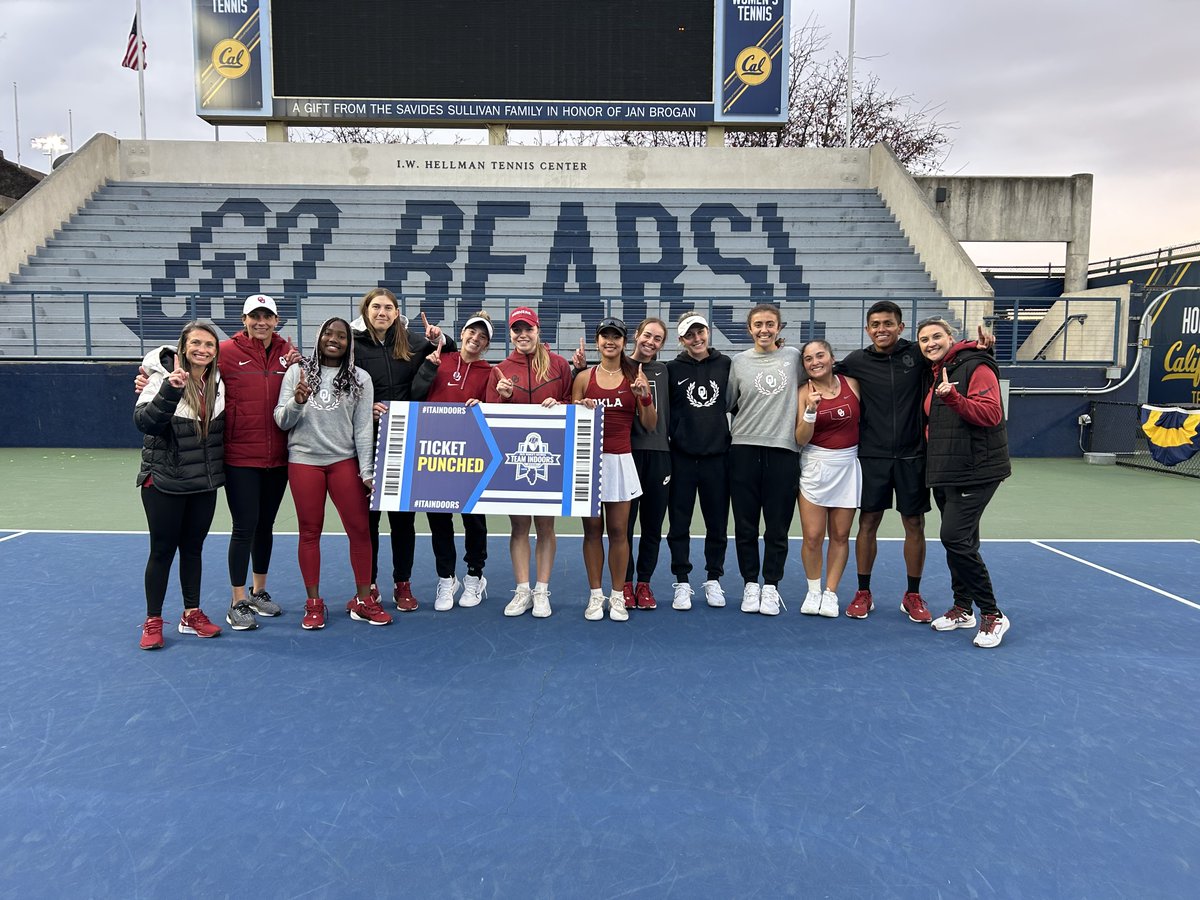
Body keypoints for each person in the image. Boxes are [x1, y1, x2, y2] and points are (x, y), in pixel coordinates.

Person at [134, 294, 299, 631]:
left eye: (268, 316)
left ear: (277, 321)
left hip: (272, 458)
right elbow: (171, 357)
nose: (261, 322)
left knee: (262, 527)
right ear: (244, 319)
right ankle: (236, 601)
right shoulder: (226, 351)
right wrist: (153, 374)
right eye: (255, 316)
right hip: (235, 458)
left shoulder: (289, 355)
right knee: (242, 528)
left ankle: (258, 592)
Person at [837, 300, 992, 622]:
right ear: (868, 329)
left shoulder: (918, 355)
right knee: (867, 523)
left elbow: (947, 352)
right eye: (876, 324)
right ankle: (863, 592)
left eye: (888, 323)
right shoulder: (856, 361)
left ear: (900, 327)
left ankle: (913, 594)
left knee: (914, 524)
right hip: (872, 456)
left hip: (914, 456)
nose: (882, 329)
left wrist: (979, 347)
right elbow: (820, 369)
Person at [275, 317, 387, 630]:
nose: (334, 339)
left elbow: (364, 427)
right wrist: (298, 402)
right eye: (328, 333)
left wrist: (366, 470)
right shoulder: (297, 372)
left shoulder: (360, 378)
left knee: (360, 531)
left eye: (341, 335)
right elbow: (282, 420)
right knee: (309, 532)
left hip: (344, 462)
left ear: (349, 343)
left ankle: (364, 600)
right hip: (305, 461)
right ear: (319, 336)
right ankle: (313, 604)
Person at [915, 317, 1012, 649]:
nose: (930, 343)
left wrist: (953, 398)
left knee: (953, 537)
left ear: (951, 337)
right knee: (963, 542)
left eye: (936, 336)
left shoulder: (975, 365)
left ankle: (992, 614)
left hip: (977, 468)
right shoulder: (938, 370)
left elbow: (990, 414)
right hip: (947, 469)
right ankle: (962, 608)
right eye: (924, 339)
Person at [351, 287, 446, 613]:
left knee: (403, 522)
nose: (382, 313)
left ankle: (402, 583)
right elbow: (340, 387)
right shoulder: (353, 345)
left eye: (388, 308)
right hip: (366, 445)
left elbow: (448, 355)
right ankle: (370, 584)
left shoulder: (413, 343)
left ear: (396, 313)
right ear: (366, 310)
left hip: (405, 444)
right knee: (369, 521)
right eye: (376, 307)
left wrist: (439, 337)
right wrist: (365, 407)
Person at [134, 321, 226, 649]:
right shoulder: (161, 378)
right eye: (196, 343)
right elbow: (145, 423)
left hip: (203, 482)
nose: (203, 349)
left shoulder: (219, 382)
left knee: (193, 550)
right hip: (163, 480)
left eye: (209, 345)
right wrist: (169, 389)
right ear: (183, 347)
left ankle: (191, 614)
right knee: (161, 551)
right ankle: (153, 620)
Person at [486, 306, 574, 618]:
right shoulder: (500, 369)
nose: (523, 335)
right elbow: (490, 416)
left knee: (546, 526)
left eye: (528, 329)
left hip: (549, 461)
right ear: (511, 334)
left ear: (538, 331)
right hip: (515, 462)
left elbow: (571, 404)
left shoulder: (559, 365)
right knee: (519, 526)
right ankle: (522, 589)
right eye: (517, 330)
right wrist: (503, 396)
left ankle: (542, 590)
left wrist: (559, 404)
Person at [572, 317, 657, 621]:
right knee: (592, 531)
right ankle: (596, 596)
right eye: (605, 336)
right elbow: (572, 422)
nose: (610, 341)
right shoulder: (583, 378)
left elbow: (650, 424)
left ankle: (618, 596)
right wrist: (582, 408)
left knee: (619, 531)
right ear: (598, 341)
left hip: (621, 460)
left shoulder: (636, 375)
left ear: (624, 342)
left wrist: (644, 396)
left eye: (616, 337)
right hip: (588, 461)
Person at [411, 311, 494, 611]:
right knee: (439, 521)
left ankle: (475, 574)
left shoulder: (489, 372)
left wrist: (485, 405)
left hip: (471, 457)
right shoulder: (439, 358)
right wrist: (427, 371)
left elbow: (495, 413)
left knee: (474, 520)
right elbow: (416, 395)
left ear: (486, 345)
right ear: (461, 335)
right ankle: (447, 577)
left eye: (482, 336)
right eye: (472, 332)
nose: (476, 338)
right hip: (434, 454)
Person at [727, 303, 803, 616]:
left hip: (784, 451)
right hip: (743, 450)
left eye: (770, 324)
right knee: (745, 525)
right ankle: (750, 585)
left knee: (777, 527)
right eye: (758, 324)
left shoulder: (794, 358)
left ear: (779, 328)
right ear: (749, 329)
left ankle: (771, 585)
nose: (764, 330)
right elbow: (730, 403)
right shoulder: (738, 362)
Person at [665, 311, 731, 611]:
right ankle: (682, 580)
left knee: (716, 523)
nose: (696, 338)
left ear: (708, 332)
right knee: (679, 523)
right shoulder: (671, 369)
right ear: (681, 340)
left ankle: (713, 578)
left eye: (700, 332)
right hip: (681, 458)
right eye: (689, 335)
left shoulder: (727, 365)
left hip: (718, 458)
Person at [794, 340, 862, 619]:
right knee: (812, 537)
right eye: (808, 359)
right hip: (815, 466)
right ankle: (813, 590)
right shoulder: (802, 392)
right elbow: (800, 439)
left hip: (847, 466)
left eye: (819, 355)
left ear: (832, 358)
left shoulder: (853, 385)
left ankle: (831, 593)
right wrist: (810, 410)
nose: (814, 362)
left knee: (841, 536)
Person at [623, 318, 670, 609]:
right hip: (627, 454)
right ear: (636, 336)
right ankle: (625, 584)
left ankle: (644, 584)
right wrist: (578, 367)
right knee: (623, 526)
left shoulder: (666, 371)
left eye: (658, 339)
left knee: (652, 526)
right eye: (647, 335)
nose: (651, 342)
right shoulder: (619, 366)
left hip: (660, 456)